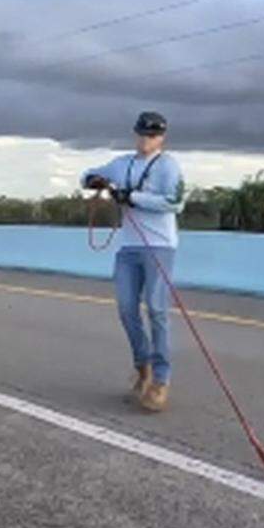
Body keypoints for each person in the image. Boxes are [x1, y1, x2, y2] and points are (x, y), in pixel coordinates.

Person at [82, 111, 186, 412]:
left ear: (161, 138)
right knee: (127, 308)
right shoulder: (122, 163)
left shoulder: (168, 166)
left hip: (159, 246)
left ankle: (161, 380)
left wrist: (134, 198)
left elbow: (175, 202)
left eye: (152, 135)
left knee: (156, 309)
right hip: (129, 246)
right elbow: (88, 174)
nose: (145, 140)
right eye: (141, 134)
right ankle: (143, 367)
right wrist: (93, 179)